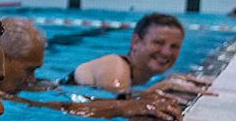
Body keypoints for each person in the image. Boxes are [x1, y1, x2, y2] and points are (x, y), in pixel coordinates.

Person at [0, 17, 181, 121]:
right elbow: (54, 108)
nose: (31, 78)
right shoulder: (117, 67)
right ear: (1, 59)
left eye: (174, 46)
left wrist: (141, 98)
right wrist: (129, 106)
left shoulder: (30, 86)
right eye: (29, 70)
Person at [65, 13, 209, 97]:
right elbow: (113, 105)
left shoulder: (142, 74)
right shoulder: (115, 66)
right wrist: (158, 89)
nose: (166, 52)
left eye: (174, 46)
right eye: (158, 43)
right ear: (136, 42)